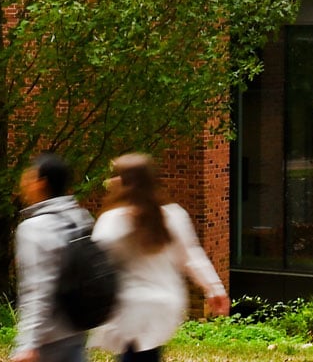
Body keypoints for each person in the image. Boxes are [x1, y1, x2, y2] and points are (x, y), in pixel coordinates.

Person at [88, 153, 229, 362]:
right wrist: (214, 288)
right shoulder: (173, 215)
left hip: (132, 308)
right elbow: (191, 257)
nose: (109, 181)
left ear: (124, 182)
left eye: (114, 176)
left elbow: (94, 264)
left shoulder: (112, 222)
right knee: (146, 355)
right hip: (165, 305)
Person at [12, 153, 97, 362]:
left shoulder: (34, 228)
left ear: (41, 183)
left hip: (47, 339)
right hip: (76, 328)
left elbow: (37, 288)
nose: (24, 183)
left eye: (29, 177)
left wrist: (28, 344)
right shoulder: (79, 218)